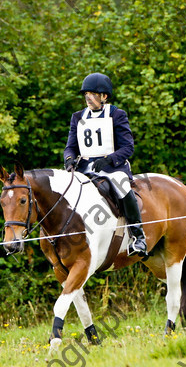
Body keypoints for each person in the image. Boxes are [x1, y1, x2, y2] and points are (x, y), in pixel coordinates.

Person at [63, 72, 148, 258]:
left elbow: (128, 147)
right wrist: (69, 159)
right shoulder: (77, 117)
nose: (88, 97)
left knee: (123, 188)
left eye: (92, 93)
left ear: (104, 96)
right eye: (86, 94)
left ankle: (138, 237)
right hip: (84, 169)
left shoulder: (117, 115)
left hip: (113, 168)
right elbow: (70, 147)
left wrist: (110, 159)